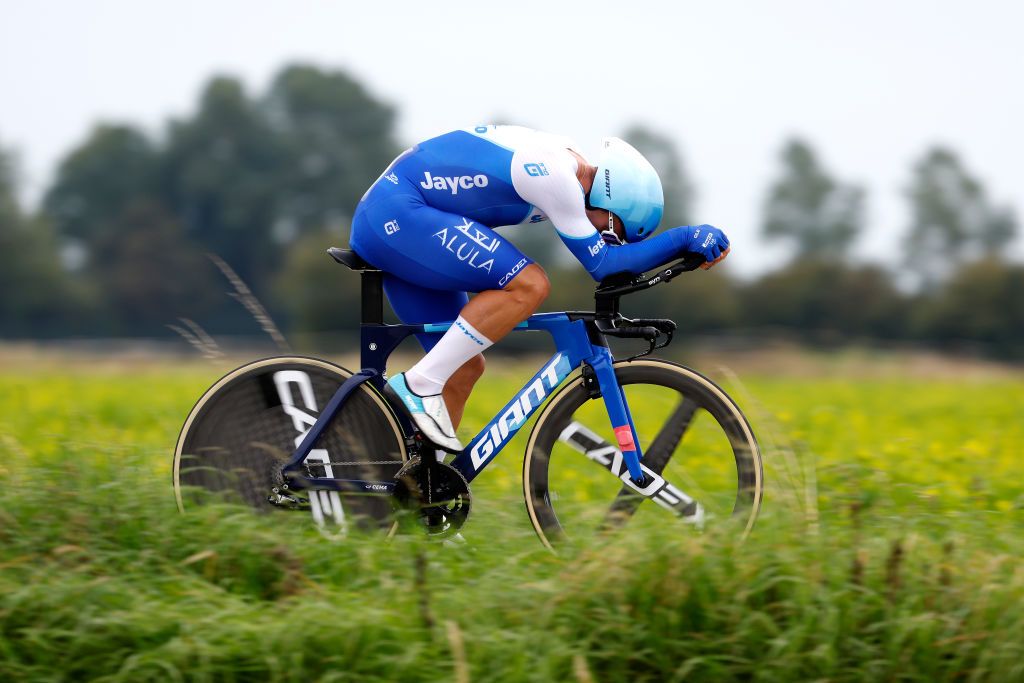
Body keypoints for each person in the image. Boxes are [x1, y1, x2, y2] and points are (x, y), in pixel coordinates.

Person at [350, 125, 729, 451]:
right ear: (608, 201)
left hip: (404, 218)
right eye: (612, 230)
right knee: (529, 285)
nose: (605, 238)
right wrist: (684, 237)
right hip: (398, 213)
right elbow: (605, 266)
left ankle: (420, 497)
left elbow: (614, 261)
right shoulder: (558, 179)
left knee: (463, 367)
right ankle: (418, 385)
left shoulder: (569, 167)